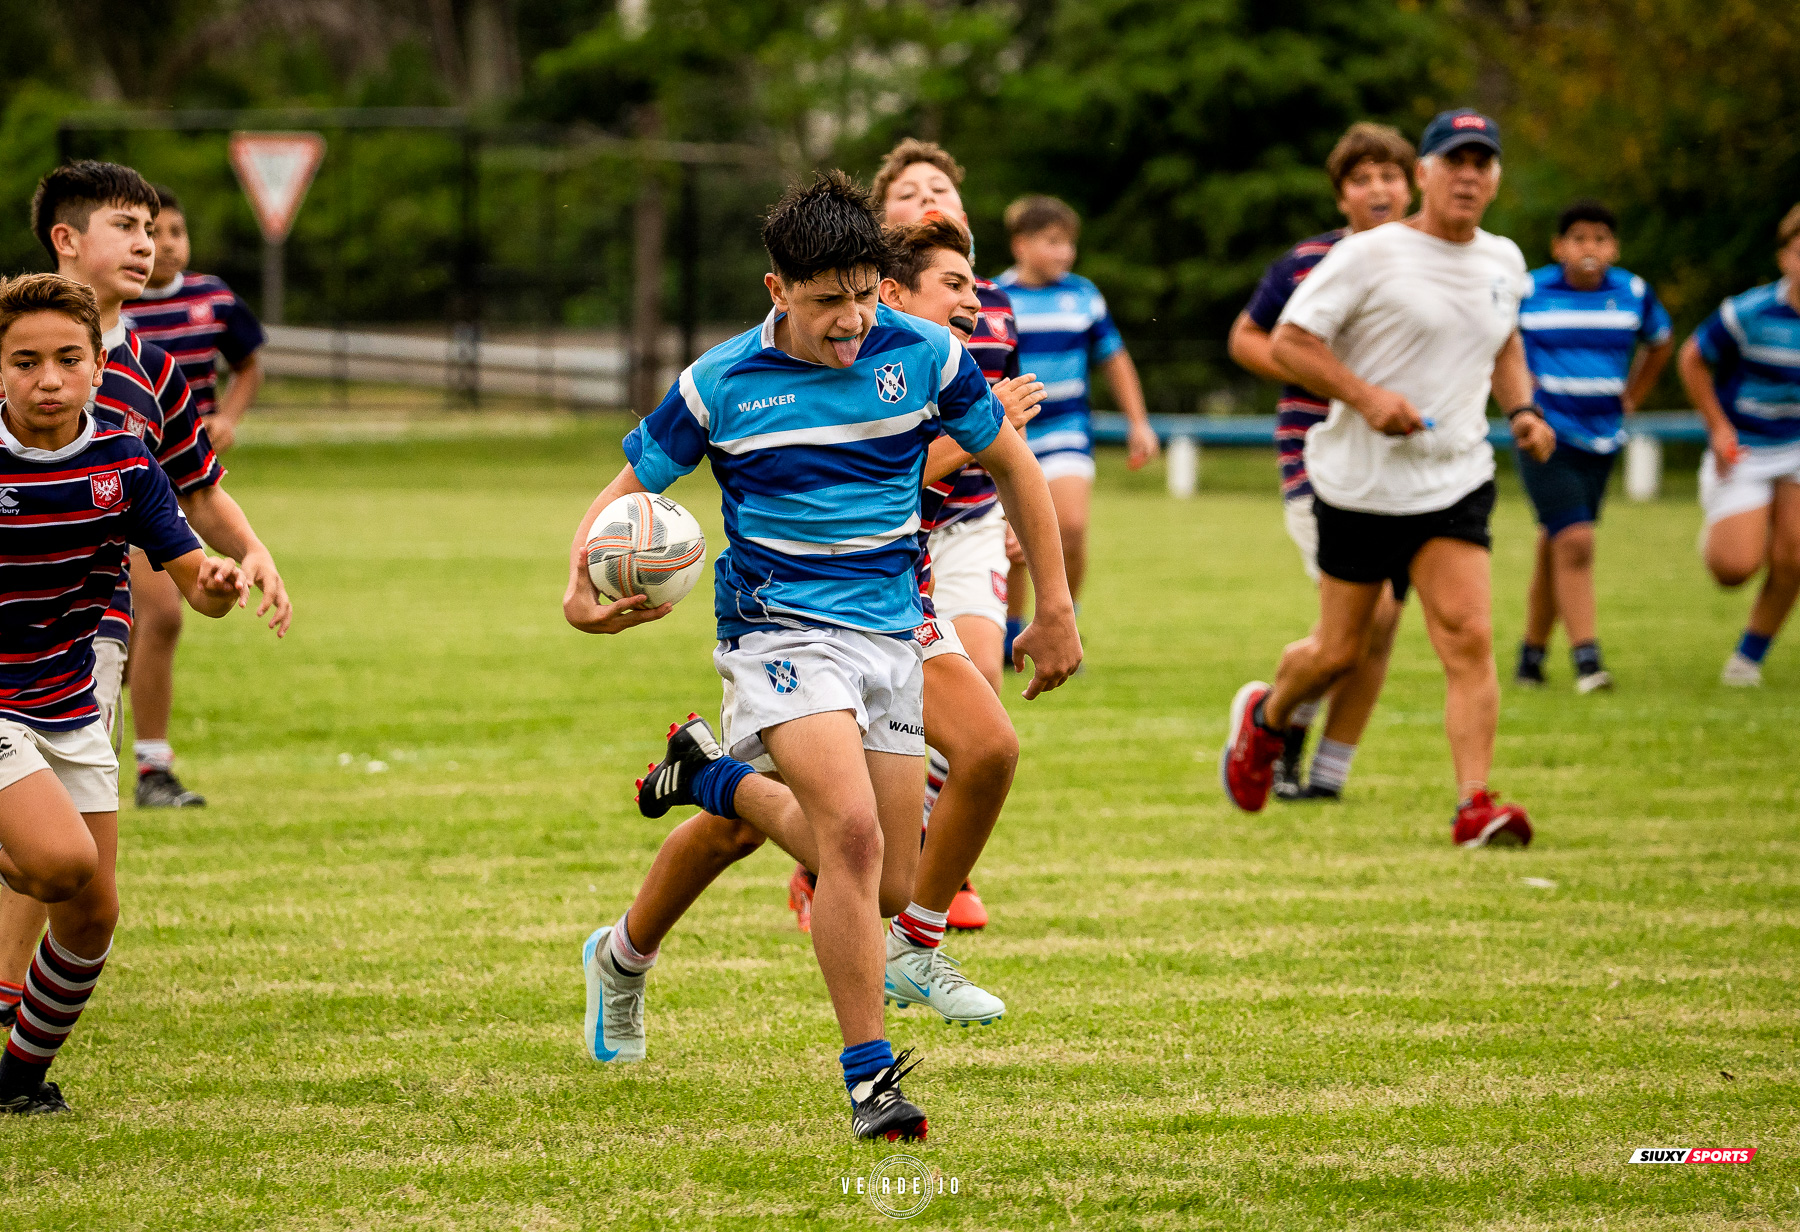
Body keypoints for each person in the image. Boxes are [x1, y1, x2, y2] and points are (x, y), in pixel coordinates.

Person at [561, 173, 1081, 1142]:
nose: (849, 320)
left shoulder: (926, 353)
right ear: (776, 290)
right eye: (825, 300)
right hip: (777, 632)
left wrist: (1053, 606)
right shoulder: (718, 384)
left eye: (863, 294)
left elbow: (1010, 458)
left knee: (887, 880)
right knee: (845, 833)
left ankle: (710, 776)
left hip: (892, 625)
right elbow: (623, 490)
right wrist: (577, 589)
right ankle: (870, 1078)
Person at [0, 163, 294, 1032]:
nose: (149, 243)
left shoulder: (156, 373)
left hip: (92, 635)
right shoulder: (15, 350)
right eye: (129, 226)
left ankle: (16, 996)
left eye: (154, 227)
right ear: (67, 239)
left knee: (55, 844)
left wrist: (251, 553)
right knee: (39, 831)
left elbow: (197, 489)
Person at [1218, 109, 1555, 848]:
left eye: (1483, 163)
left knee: (1466, 636)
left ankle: (1476, 805)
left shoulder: (1504, 260)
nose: (1469, 175)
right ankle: (1268, 719)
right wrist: (1368, 400)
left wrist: (1524, 408)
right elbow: (1289, 342)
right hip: (1359, 484)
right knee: (1342, 649)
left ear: (1495, 179)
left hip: (1455, 476)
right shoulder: (1369, 256)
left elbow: (1505, 343)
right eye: (1454, 161)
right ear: (1427, 174)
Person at [0, 272, 250, 1114]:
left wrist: (217, 578)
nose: (48, 379)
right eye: (24, 361)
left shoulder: (122, 459)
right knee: (60, 860)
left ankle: (18, 1080)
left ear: (98, 366)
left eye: (68, 359)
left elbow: (194, 580)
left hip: (68, 701)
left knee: (91, 917)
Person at [789, 137, 1022, 936]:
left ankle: (926, 900)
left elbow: (1007, 452)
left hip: (948, 538)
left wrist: (1013, 504)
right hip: (832, 580)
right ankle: (745, 803)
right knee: (795, 795)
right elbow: (893, 475)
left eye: (944, 190)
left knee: (981, 720)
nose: (931, 201)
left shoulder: (972, 320)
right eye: (912, 191)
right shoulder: (832, 337)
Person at [1226, 121, 1416, 801]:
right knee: (1377, 615)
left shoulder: (1432, 260)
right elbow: (1248, 337)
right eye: (1361, 179)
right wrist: (1323, 373)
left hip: (1407, 463)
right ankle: (1273, 720)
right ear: (1341, 195)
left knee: (1376, 625)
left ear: (1413, 183)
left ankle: (1324, 768)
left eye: (1389, 175)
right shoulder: (1308, 261)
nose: (1378, 189)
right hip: (1318, 455)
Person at [1514, 199, 1673, 692]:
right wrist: (1523, 407)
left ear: (1615, 248)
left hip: (1603, 438)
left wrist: (1633, 396)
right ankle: (1588, 661)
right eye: (1579, 237)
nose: (1590, 247)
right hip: (1546, 435)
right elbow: (1500, 347)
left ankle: (1531, 658)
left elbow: (1661, 341)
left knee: (1557, 543)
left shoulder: (1633, 293)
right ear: (1558, 247)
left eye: (1601, 238)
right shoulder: (1529, 291)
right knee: (1577, 541)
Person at [998, 195, 1159, 660]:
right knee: (1012, 540)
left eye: (1069, 243)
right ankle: (1010, 629)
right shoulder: (995, 296)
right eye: (1052, 242)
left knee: (1070, 525)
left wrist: (1138, 423)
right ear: (1021, 245)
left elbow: (1114, 359)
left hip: (1068, 427)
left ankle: (1064, 620)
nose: (1065, 253)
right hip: (1012, 431)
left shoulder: (1084, 295)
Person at [1679, 202, 1800, 687]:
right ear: (1784, 257)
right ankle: (1732, 530)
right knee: (1734, 568)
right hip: (1745, 448)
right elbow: (1691, 358)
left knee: (1795, 555)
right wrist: (1719, 428)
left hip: (1796, 447)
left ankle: (1748, 658)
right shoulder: (1749, 312)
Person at [123, 184, 267, 454]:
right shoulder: (112, 300)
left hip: (195, 449)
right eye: (154, 233)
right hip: (130, 450)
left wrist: (227, 420)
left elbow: (248, 367)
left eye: (177, 232)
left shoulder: (215, 297)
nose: (167, 244)